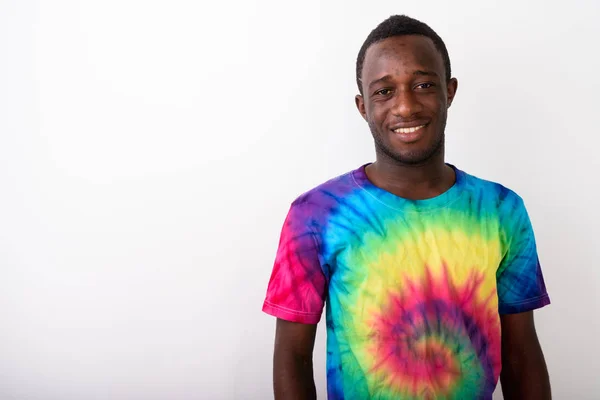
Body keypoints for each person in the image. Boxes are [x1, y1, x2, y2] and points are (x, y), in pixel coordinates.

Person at [262, 14, 551, 400]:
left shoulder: (501, 210)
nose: (406, 106)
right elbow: (292, 358)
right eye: (384, 91)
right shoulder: (316, 214)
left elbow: (521, 354)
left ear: (449, 92)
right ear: (363, 107)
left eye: (424, 84)